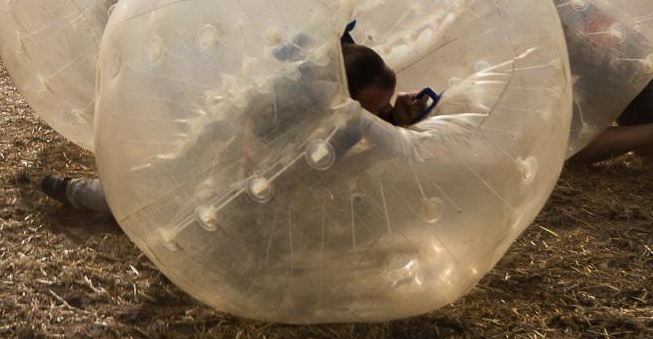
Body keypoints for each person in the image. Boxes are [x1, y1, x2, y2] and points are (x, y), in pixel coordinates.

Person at [39, 29, 436, 215]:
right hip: (228, 141)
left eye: (379, 108)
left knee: (171, 188)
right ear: (342, 93)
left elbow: (368, 132)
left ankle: (96, 190)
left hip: (256, 167)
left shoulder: (348, 103)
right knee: (161, 195)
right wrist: (250, 154)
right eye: (371, 107)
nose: (374, 115)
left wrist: (395, 116)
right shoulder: (296, 91)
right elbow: (246, 117)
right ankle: (77, 192)